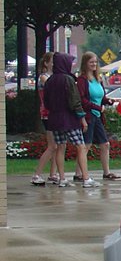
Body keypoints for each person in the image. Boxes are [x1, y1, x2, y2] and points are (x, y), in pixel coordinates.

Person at [42, 52, 90, 187]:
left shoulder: (50, 80)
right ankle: (86, 178)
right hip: (69, 119)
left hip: (54, 119)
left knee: (60, 148)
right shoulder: (68, 79)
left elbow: (46, 102)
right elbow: (75, 101)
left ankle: (62, 178)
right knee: (80, 146)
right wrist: (82, 118)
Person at [75, 52, 118, 180]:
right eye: (91, 62)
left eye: (95, 62)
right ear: (85, 64)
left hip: (98, 116)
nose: (94, 64)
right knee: (86, 145)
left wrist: (108, 101)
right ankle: (78, 173)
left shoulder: (98, 79)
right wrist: (98, 107)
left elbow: (100, 97)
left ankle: (106, 172)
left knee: (105, 144)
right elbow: (82, 100)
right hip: (88, 116)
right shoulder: (82, 80)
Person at [30, 52, 59, 186]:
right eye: (53, 61)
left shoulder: (54, 77)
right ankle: (36, 174)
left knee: (57, 146)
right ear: (46, 63)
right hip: (47, 114)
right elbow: (54, 88)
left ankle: (53, 174)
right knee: (52, 145)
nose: (55, 63)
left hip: (55, 113)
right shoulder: (44, 77)